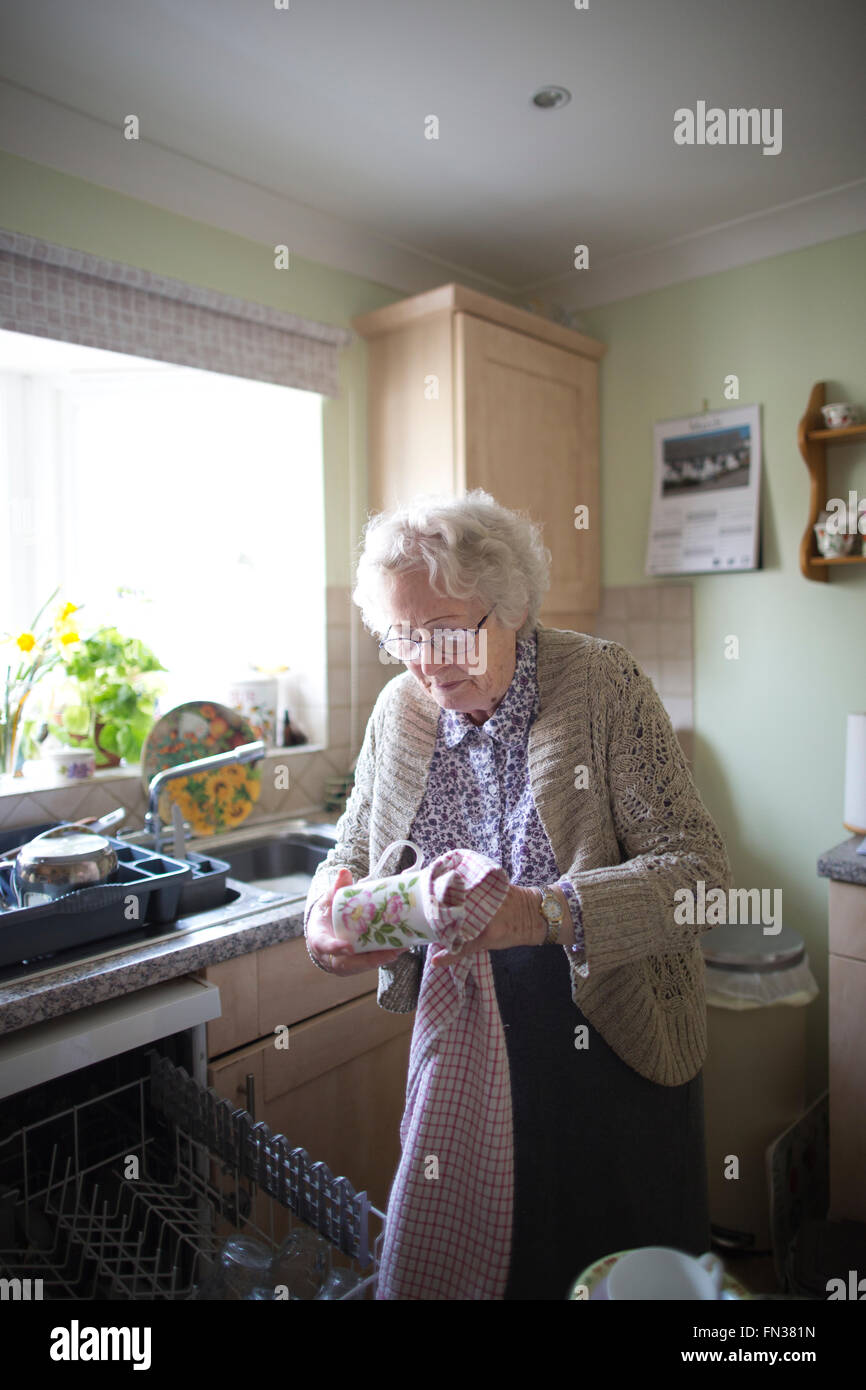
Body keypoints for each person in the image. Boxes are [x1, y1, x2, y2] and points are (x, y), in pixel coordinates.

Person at [303, 489, 732, 1300]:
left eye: (448, 631)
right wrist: (326, 911)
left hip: (613, 1034)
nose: (426, 663)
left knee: (614, 1267)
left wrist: (544, 913)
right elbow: (349, 854)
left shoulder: (603, 685)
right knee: (492, 1274)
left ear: (512, 609)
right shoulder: (401, 711)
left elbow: (701, 879)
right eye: (403, 636)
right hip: (467, 1048)